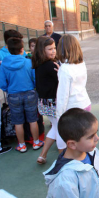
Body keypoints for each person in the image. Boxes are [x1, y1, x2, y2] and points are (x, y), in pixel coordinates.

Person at [0, 38, 43, 153]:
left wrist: (8, 89)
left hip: (13, 95)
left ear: (8, 49)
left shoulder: (4, 64)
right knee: (33, 119)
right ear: (22, 49)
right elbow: (35, 77)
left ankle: (21, 145)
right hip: (30, 93)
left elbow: (0, 80)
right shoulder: (28, 62)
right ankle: (36, 142)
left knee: (18, 121)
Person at [32, 36, 62, 164]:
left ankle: (42, 155)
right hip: (53, 102)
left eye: (54, 48)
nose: (53, 51)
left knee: (55, 127)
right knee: (60, 129)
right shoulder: (51, 65)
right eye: (50, 49)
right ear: (41, 50)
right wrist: (61, 72)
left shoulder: (39, 64)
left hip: (44, 103)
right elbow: (61, 82)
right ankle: (63, 158)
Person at [56, 35, 91, 123]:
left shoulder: (64, 69)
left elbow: (62, 96)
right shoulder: (81, 63)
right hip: (85, 103)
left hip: (73, 109)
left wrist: (59, 116)